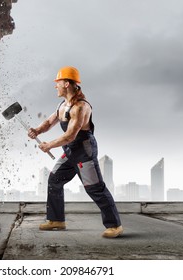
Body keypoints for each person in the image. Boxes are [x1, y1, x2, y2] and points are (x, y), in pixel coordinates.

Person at [28, 66, 123, 238]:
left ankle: (114, 226)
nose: (55, 86)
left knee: (95, 188)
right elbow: (49, 122)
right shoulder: (63, 105)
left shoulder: (80, 107)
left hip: (83, 151)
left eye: (57, 83)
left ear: (66, 84)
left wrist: (49, 145)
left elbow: (70, 135)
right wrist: (37, 130)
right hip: (70, 151)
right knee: (54, 179)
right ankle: (56, 220)